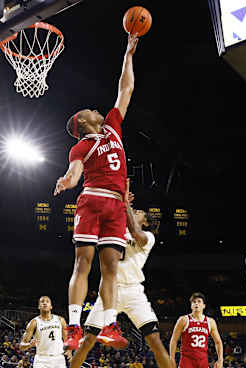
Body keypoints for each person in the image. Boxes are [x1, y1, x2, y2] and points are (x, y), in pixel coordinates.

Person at [50, 186, 191, 368]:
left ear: (146, 222)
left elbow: (135, 233)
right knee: (87, 341)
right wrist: (117, 199)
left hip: (134, 291)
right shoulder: (114, 229)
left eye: (140, 213)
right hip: (110, 289)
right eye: (134, 210)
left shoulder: (148, 237)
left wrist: (125, 202)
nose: (136, 212)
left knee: (154, 340)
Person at [53, 34, 140, 351]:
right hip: (92, 199)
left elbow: (125, 90)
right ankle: (74, 327)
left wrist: (128, 54)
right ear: (82, 123)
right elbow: (75, 174)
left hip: (116, 206)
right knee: (82, 263)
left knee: (111, 269)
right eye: (89, 110)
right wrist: (66, 180)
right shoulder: (81, 145)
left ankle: (109, 324)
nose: (95, 109)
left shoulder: (113, 127)